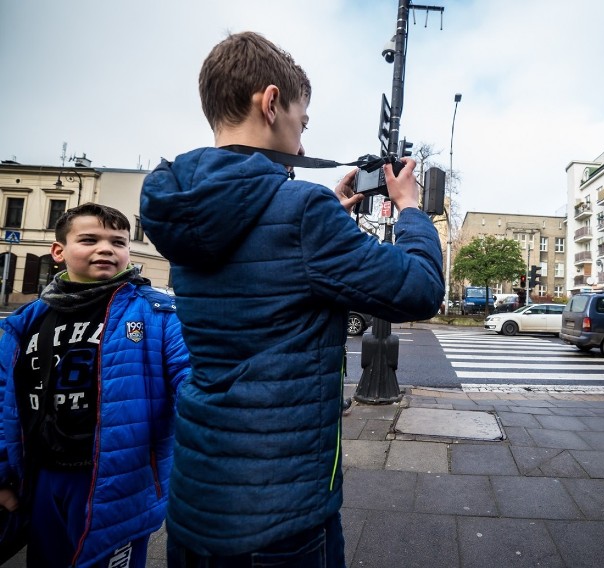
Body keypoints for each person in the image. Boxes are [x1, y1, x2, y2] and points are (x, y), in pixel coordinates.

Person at [139, 31, 444, 566]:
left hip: (196, 499)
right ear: (271, 102)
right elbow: (420, 289)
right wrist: (413, 211)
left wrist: (328, 212)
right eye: (302, 124)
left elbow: (264, 262)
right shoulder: (303, 213)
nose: (303, 146)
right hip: (281, 509)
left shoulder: (183, 207)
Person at [0, 203, 190, 567]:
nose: (106, 248)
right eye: (89, 239)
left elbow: (189, 384)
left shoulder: (157, 314)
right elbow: (2, 398)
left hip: (116, 482)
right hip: (42, 477)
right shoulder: (25, 322)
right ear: (58, 251)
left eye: (118, 242)